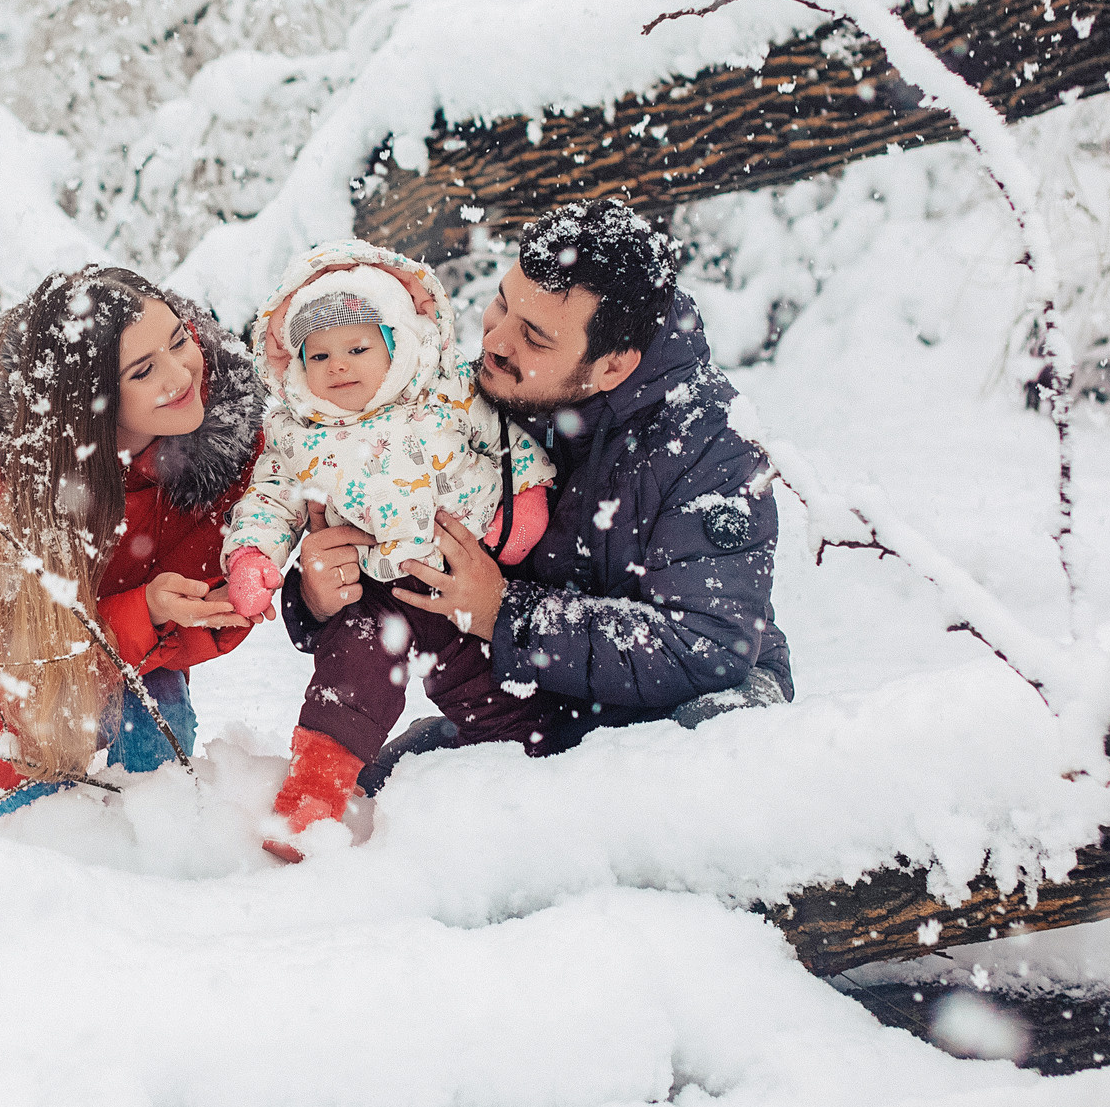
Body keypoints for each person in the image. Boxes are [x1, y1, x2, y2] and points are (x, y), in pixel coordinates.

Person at [280, 200, 792, 791]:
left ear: (613, 366)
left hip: (685, 713)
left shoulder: (709, 444)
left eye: (535, 337)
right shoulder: (470, 400)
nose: (495, 341)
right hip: (534, 700)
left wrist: (506, 613)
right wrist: (318, 595)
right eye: (501, 303)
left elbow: (705, 647)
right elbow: (394, 544)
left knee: (686, 774)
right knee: (387, 793)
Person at [0, 267, 267, 811]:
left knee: (160, 775)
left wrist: (171, 608)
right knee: (44, 821)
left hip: (107, 636)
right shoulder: (22, 485)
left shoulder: (226, 439)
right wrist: (144, 613)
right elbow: (36, 653)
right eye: (143, 371)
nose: (180, 375)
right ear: (97, 403)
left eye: (179, 339)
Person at [219, 241, 556, 859]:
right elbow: (267, 501)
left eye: (357, 347)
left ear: (397, 344)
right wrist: (253, 559)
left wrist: (524, 503)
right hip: (374, 596)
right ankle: (310, 799)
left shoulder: (448, 391)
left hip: (463, 576)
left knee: (499, 694)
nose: (338, 367)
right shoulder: (297, 433)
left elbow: (508, 444)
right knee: (348, 683)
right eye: (318, 354)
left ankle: (523, 793)